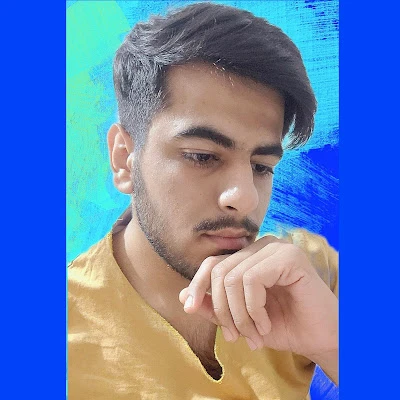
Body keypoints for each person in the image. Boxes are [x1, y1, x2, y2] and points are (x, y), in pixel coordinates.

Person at [68, 2, 338, 399]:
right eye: (202, 156)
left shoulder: (311, 274)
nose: (244, 198)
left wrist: (334, 344)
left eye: (261, 166)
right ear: (125, 159)